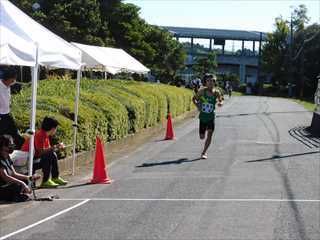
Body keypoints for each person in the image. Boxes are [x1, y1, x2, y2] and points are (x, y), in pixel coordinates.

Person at [21, 117, 68, 188]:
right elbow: (42, 152)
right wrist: (55, 147)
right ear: (52, 128)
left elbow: (48, 150)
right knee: (50, 154)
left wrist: (57, 148)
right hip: (28, 161)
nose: (56, 130)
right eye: (56, 128)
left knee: (52, 154)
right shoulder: (40, 135)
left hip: (34, 158)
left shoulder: (44, 135)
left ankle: (55, 177)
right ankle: (46, 181)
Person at [0, 135, 40, 202]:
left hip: (7, 186)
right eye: (10, 144)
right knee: (17, 185)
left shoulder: (7, 157)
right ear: (3, 146)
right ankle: (11, 197)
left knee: (24, 182)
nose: (12, 146)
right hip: (2, 187)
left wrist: (29, 177)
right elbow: (5, 177)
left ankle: (15, 196)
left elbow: (14, 174)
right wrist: (22, 183)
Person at [193, 74, 223, 159]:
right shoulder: (202, 91)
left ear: (214, 82)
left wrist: (220, 103)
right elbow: (194, 98)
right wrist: (197, 105)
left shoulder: (216, 92)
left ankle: (204, 152)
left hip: (211, 117)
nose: (210, 82)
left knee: (210, 134)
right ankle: (204, 129)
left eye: (212, 81)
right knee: (202, 137)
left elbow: (221, 99)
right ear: (206, 82)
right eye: (208, 81)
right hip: (203, 117)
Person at [0, 68, 25, 149]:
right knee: (2, 138)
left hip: (7, 114)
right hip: (1, 116)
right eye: (12, 80)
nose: (13, 81)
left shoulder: (9, 85)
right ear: (8, 79)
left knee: (16, 135)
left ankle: (20, 151)